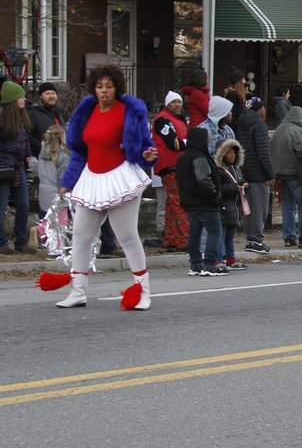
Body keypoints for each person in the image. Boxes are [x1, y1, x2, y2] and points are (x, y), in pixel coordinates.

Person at [41, 64, 158, 309]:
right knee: (82, 237)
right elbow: (79, 153)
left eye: (109, 86)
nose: (104, 91)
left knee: (127, 237)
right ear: (94, 88)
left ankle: (143, 291)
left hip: (120, 178)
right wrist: (68, 182)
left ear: (117, 88)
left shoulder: (129, 111)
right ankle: (78, 291)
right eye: (99, 86)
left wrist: (148, 155)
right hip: (91, 179)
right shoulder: (87, 111)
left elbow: (143, 146)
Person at [176, 126, 226, 277]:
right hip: (206, 203)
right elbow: (204, 179)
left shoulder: (183, 158)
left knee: (194, 234)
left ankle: (195, 264)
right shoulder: (200, 157)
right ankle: (209, 264)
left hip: (190, 202)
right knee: (215, 232)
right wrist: (215, 195)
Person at [152, 90, 189, 252]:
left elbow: (179, 141)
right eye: (174, 102)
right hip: (171, 166)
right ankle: (184, 239)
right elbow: (174, 143)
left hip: (176, 166)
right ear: (167, 104)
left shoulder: (174, 119)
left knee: (171, 203)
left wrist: (184, 141)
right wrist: (192, 141)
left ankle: (171, 238)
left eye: (179, 102)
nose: (177, 105)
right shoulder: (163, 120)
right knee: (178, 202)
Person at [237, 97, 273, 254]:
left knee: (248, 207)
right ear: (260, 109)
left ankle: (250, 238)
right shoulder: (259, 125)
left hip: (245, 170)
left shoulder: (241, 123)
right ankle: (256, 239)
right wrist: (270, 173)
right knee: (260, 207)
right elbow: (263, 151)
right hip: (258, 172)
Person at [0, 81, 33, 254]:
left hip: (18, 165)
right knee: (2, 206)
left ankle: (21, 241)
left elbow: (25, 141)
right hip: (4, 167)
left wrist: (27, 156)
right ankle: (1, 243)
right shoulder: (3, 120)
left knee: (23, 205)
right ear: (13, 100)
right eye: (21, 97)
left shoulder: (22, 118)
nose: (24, 100)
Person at [271, 105, 302, 246]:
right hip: (295, 174)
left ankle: (289, 236)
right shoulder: (297, 131)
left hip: (280, 174)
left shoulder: (279, 129)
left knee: (287, 206)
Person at [215, 139, 249, 271]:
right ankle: (218, 259)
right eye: (228, 153)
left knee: (230, 236)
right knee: (221, 235)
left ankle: (230, 259)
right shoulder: (219, 170)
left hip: (235, 207)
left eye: (234, 153)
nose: (232, 155)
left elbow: (241, 181)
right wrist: (235, 188)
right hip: (224, 207)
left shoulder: (236, 169)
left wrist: (246, 185)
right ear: (222, 154)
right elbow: (220, 189)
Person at [33, 124, 68, 217]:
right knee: (59, 226)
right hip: (58, 196)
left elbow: (37, 171)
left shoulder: (42, 153)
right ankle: (37, 230)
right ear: (61, 138)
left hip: (43, 196)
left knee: (44, 218)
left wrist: (32, 162)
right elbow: (63, 178)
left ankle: (37, 229)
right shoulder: (63, 156)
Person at [27, 81, 63, 158]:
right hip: (42, 159)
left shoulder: (58, 112)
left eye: (53, 93)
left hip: (59, 158)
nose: (51, 96)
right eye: (47, 94)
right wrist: (44, 149)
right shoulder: (32, 113)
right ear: (40, 96)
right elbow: (28, 136)